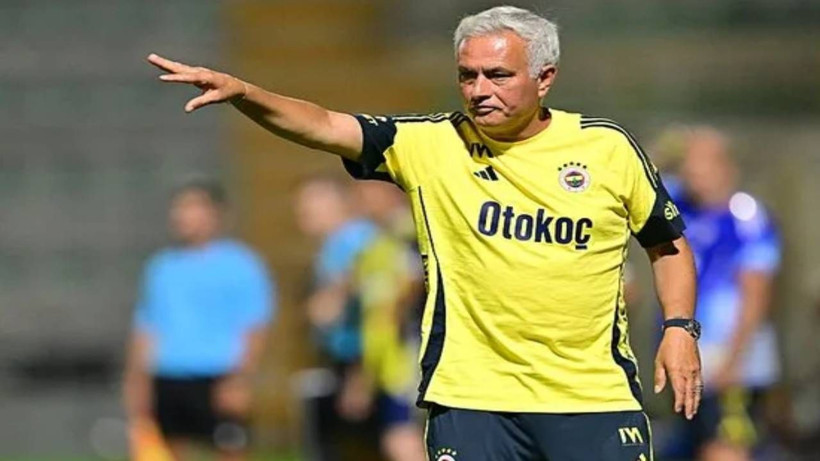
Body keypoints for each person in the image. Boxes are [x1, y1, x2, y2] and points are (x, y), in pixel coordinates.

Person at [147, 5, 702, 459]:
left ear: (545, 77)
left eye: (498, 75)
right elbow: (324, 125)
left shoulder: (607, 148)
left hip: (592, 398)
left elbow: (668, 244)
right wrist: (245, 93)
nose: (479, 89)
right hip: (471, 401)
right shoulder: (430, 144)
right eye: (467, 75)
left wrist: (679, 327)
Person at [123, 177, 275, 461]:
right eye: (179, 208)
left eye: (193, 207)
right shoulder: (162, 267)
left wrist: (240, 379)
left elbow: (254, 326)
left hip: (218, 377)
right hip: (169, 376)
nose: (183, 216)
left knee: (230, 450)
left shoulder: (241, 264)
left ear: (216, 214)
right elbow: (147, 328)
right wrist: (137, 381)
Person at [662, 126, 782, 461]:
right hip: (691, 353)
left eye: (703, 162)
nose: (693, 171)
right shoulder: (679, 206)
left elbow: (756, 293)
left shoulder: (747, 217)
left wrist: (735, 357)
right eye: (688, 162)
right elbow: (644, 175)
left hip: (730, 354)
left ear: (726, 167)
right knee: (695, 443)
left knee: (725, 447)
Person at [292, 175, 380, 461]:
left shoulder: (356, 241)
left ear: (339, 203)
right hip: (345, 361)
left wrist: (360, 375)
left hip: (364, 363)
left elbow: (375, 311)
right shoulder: (334, 246)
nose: (302, 210)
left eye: (312, 202)